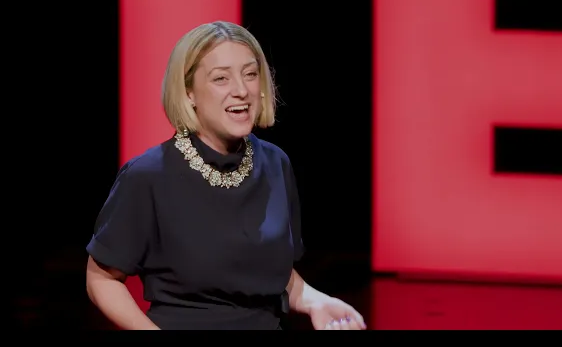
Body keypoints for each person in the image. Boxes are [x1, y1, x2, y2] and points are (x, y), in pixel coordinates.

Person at [85, 21, 366, 330]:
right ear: (189, 92)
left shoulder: (275, 163)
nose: (241, 90)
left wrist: (315, 301)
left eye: (250, 74)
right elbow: (101, 279)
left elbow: (271, 271)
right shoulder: (148, 175)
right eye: (221, 78)